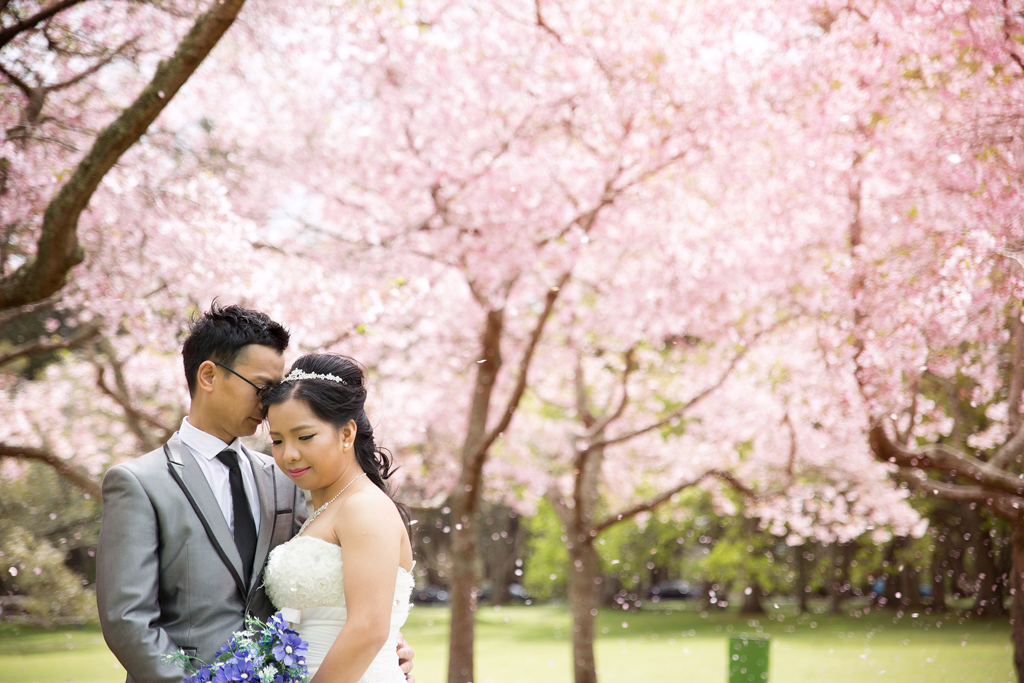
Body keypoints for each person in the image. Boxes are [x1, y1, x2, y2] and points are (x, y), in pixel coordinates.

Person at [95, 304, 414, 682]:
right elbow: (127, 620)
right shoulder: (140, 483)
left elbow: (344, 581)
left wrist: (388, 640)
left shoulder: (285, 479)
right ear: (209, 376)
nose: (268, 405)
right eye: (263, 388)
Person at [263, 353, 414, 683]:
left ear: (346, 434)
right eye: (277, 440)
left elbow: (369, 628)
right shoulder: (321, 512)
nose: (289, 454)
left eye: (304, 437)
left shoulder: (364, 507)